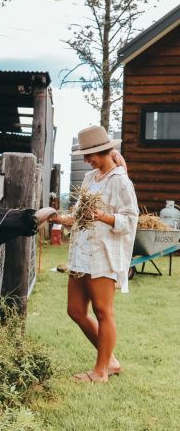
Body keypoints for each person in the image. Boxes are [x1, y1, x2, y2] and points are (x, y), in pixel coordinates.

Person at [55, 126, 138, 383]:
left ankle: (101, 371)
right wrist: (57, 218)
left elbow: (130, 219)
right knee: (75, 310)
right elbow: (78, 213)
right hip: (81, 252)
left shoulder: (120, 181)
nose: (85, 159)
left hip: (103, 254)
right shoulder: (91, 178)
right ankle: (110, 360)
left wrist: (101, 216)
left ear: (102, 151)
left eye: (89, 154)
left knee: (104, 312)